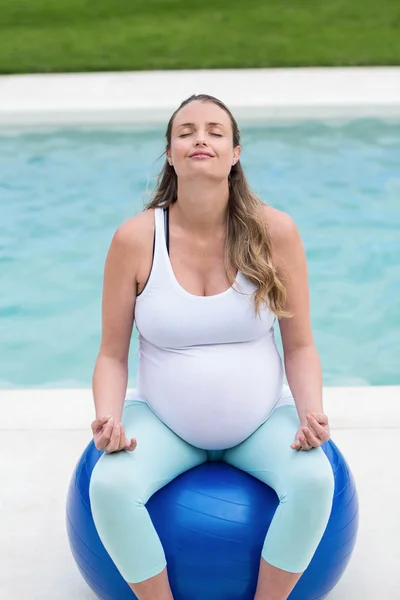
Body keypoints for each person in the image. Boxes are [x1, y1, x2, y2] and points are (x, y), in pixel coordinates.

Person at [88, 94, 334, 600]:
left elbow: (301, 345)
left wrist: (311, 413)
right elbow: (112, 353)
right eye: (187, 131)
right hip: (165, 426)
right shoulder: (135, 239)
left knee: (315, 481)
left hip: (260, 424)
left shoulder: (275, 232)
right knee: (109, 488)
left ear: (235, 152)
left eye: (215, 131)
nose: (201, 138)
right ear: (171, 153)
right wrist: (108, 417)